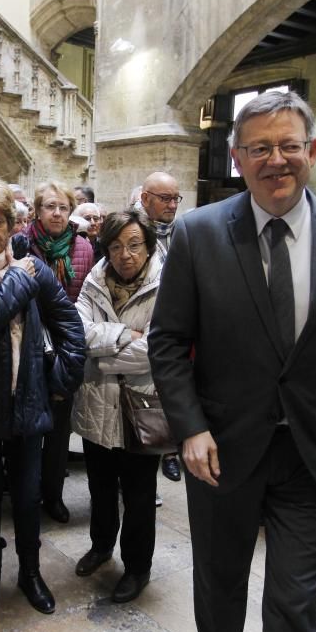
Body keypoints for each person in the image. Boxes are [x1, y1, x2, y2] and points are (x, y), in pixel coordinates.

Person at [149, 91, 316, 632]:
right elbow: (167, 342)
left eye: (288, 145)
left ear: (313, 150)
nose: (275, 160)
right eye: (259, 148)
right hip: (223, 449)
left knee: (294, 597)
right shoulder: (198, 233)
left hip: (314, 448)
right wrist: (191, 428)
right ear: (237, 158)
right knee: (219, 584)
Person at [0, 176, 84, 616]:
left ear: (11, 224)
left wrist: (61, 380)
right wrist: (21, 280)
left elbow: (70, 325)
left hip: (29, 401)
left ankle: (30, 571)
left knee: (27, 497)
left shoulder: (31, 266)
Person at [72, 210, 163, 603]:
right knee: (101, 485)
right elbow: (79, 332)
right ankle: (101, 545)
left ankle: (138, 568)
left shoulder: (167, 283)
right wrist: (125, 334)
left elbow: (157, 350)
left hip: (141, 404)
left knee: (140, 493)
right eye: (115, 246)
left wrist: (103, 354)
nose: (125, 254)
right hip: (97, 402)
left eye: (134, 244)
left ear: (148, 246)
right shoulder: (95, 279)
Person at [20, 180, 93, 523]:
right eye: (50, 206)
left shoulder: (82, 248)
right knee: (31, 426)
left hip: (66, 343)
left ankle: (53, 495)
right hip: (31, 343)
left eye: (63, 207)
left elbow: (85, 297)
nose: (57, 213)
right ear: (36, 210)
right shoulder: (23, 244)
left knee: (60, 428)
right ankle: (25, 493)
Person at [138, 171, 184, 483]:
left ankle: (170, 451)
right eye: (164, 198)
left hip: (178, 320)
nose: (172, 205)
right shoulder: (133, 230)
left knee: (173, 390)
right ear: (145, 199)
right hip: (144, 321)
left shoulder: (184, 231)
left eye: (175, 199)